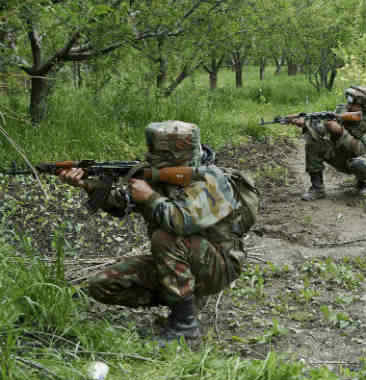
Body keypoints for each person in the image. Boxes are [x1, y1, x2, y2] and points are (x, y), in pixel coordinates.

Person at [59, 121, 259, 343]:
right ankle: (183, 301)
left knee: (165, 238)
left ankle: (185, 326)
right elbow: (121, 204)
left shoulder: (213, 181)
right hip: (180, 263)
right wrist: (88, 185)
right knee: (103, 285)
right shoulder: (159, 176)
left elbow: (181, 222)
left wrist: (150, 197)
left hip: (218, 266)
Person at [292, 85, 366, 200]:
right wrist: (307, 124)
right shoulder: (343, 111)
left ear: (363, 105)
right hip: (338, 156)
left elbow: (362, 150)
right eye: (348, 101)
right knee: (313, 141)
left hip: (359, 162)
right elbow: (322, 130)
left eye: (353, 103)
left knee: (361, 163)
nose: (348, 105)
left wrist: (341, 132)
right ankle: (317, 188)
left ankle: (362, 185)